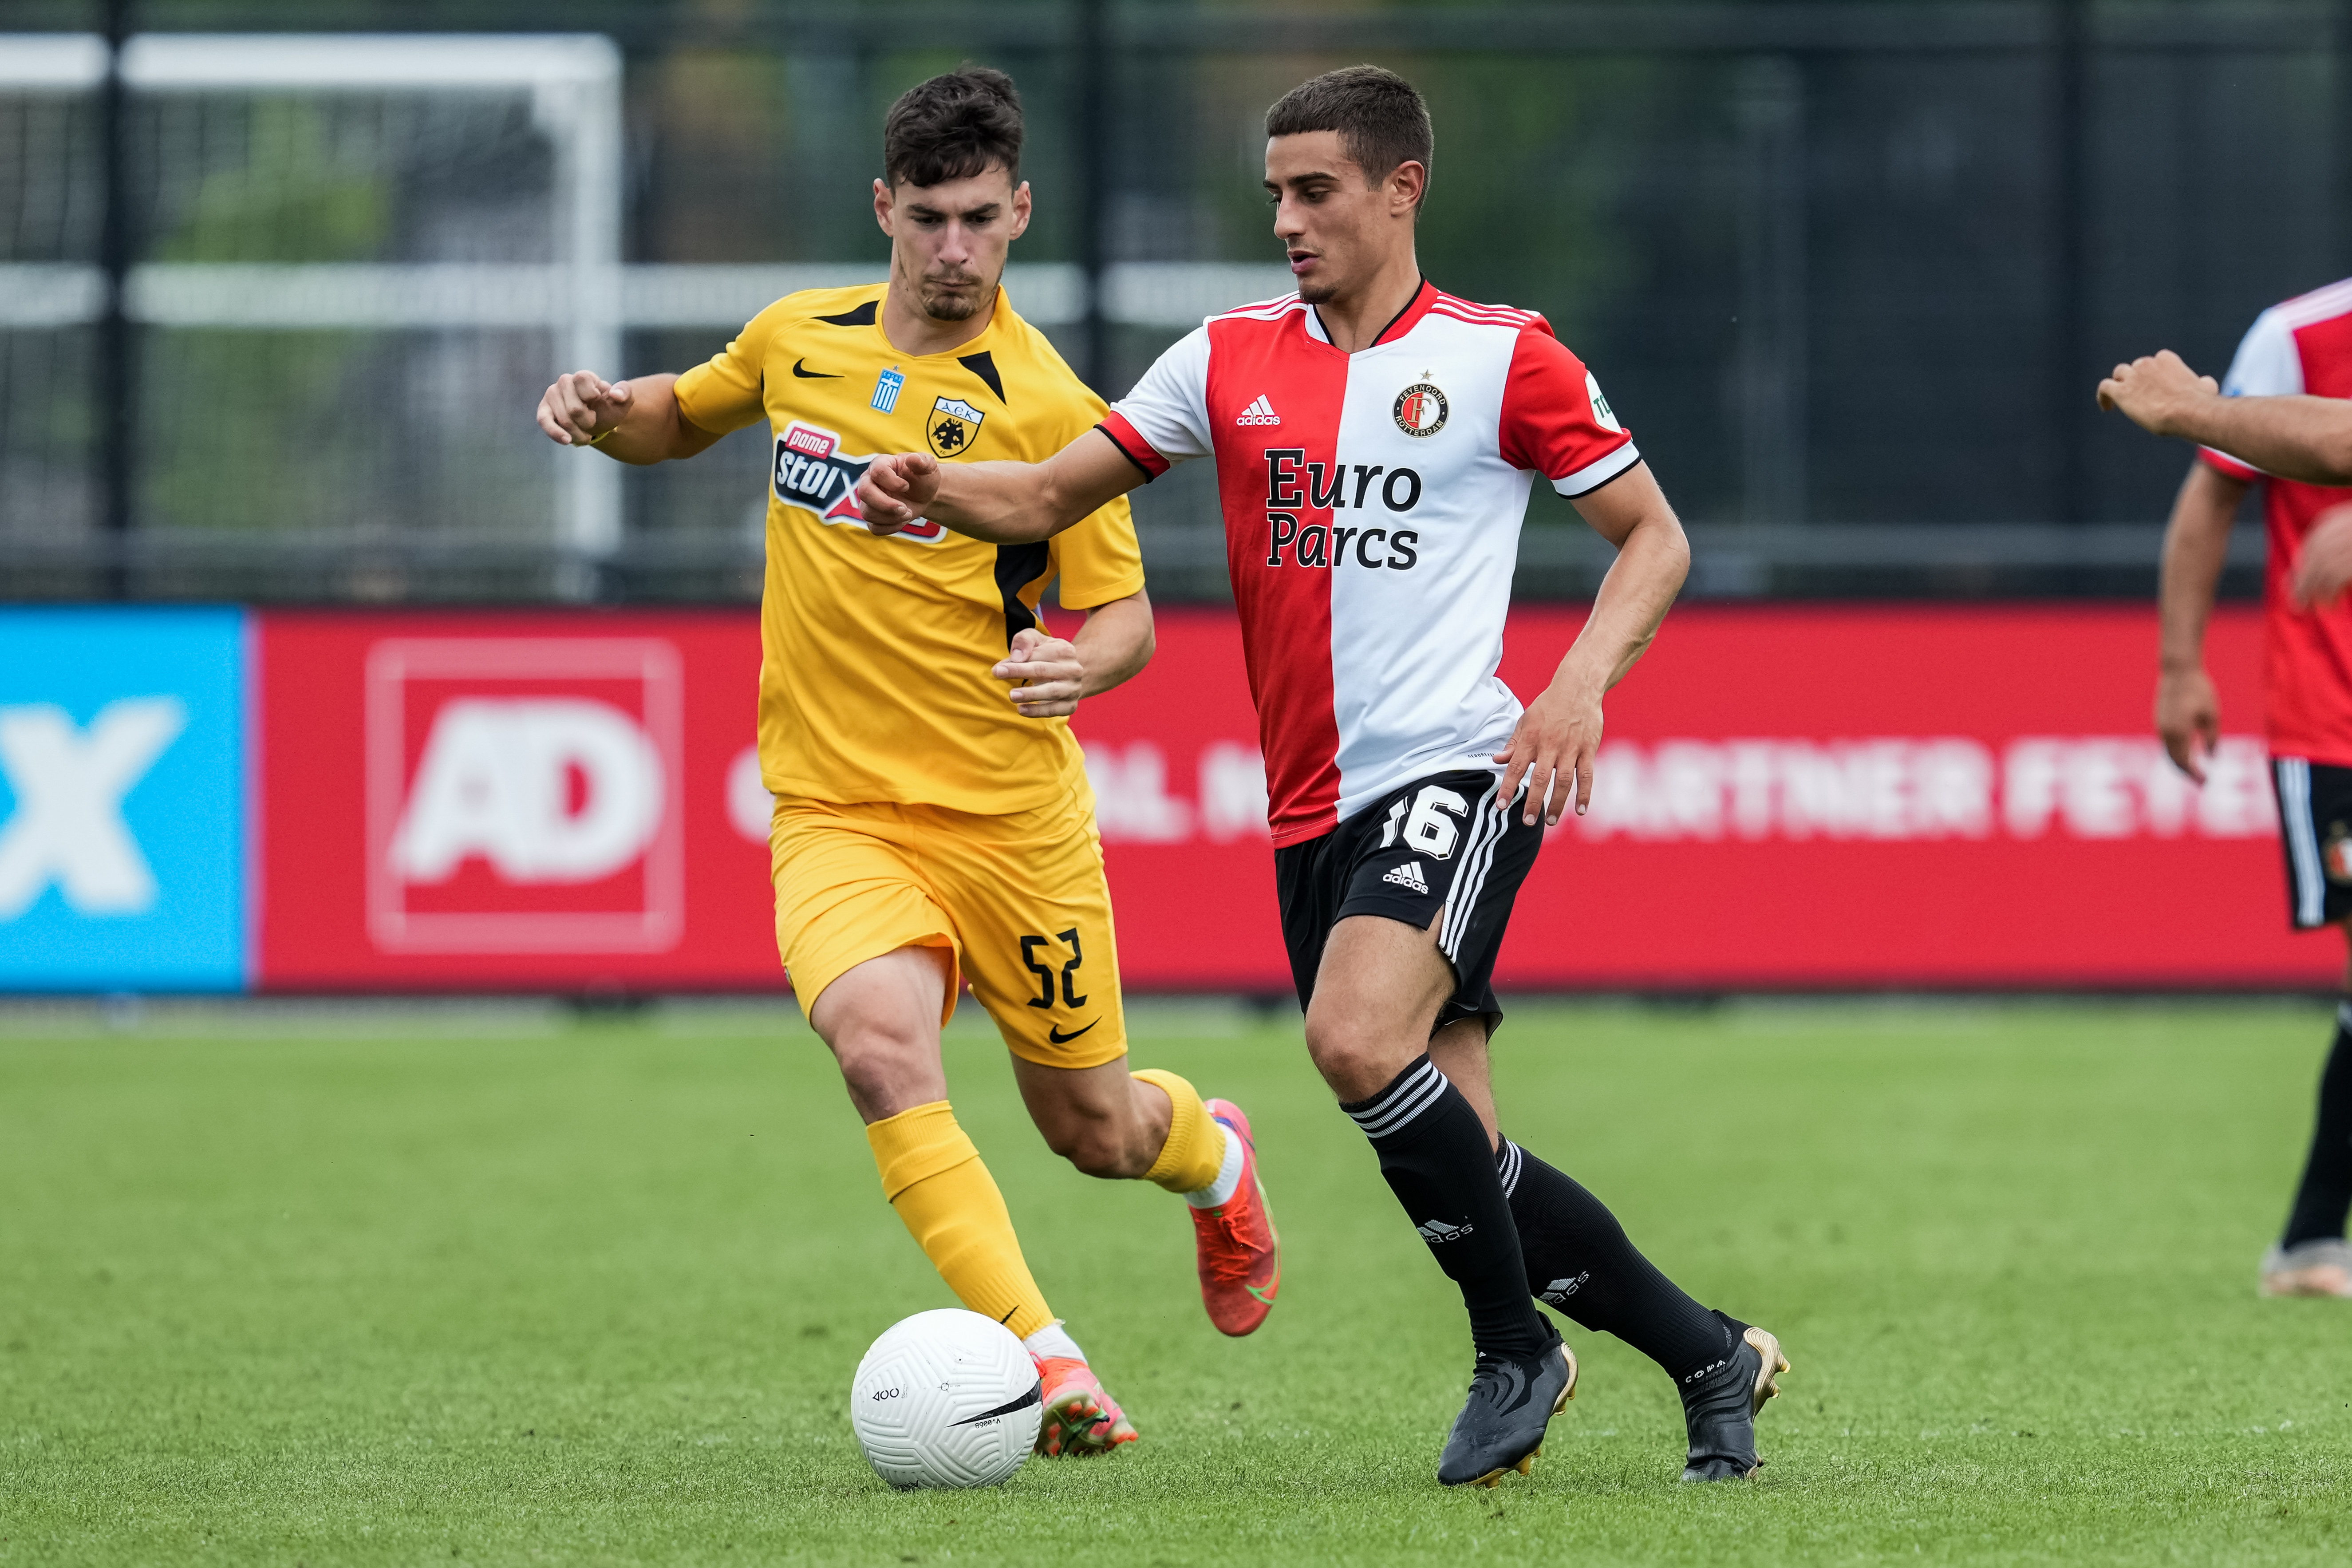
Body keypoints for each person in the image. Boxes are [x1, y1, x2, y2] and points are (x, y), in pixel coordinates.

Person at [858, 64, 1787, 1487]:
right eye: (1275, 194)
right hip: (1310, 807)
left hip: (1456, 768)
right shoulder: (1224, 355)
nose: (1287, 220)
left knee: (1354, 1041)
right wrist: (933, 486)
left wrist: (1573, 687)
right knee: (1462, 1151)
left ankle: (1513, 1349)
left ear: (1401, 188)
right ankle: (1709, 1354)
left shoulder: (1502, 355)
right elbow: (1047, 494)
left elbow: (1651, 537)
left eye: (1315, 192)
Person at [532, 67, 1282, 1453]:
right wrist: (599, 405)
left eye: (981, 220)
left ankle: (1216, 1156)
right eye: (928, 217)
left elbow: (1121, 614)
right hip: (836, 810)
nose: (953, 249)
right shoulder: (795, 340)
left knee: (1094, 1128)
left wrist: (1080, 660)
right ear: (883, 206)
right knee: (880, 1051)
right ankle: (1048, 1360)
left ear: (1020, 215)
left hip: (1009, 818)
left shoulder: (1052, 404)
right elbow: (681, 412)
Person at [2099, 282, 2352, 1298]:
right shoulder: (2299, 335)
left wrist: (2192, 406)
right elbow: (2226, 489)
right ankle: (2306, 1241)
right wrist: (2178, 664)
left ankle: (2304, 1240)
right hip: (2335, 713)